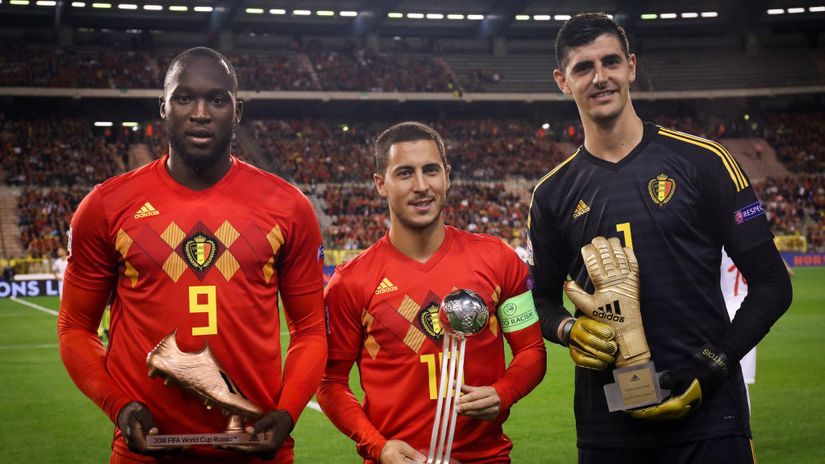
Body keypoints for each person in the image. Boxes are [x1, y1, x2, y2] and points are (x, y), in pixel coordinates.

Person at [528, 13, 792, 463]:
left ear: (631, 66)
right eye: (583, 68)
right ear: (562, 81)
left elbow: (773, 284)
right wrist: (568, 328)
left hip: (711, 421)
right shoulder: (551, 194)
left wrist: (714, 367)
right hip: (607, 429)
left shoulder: (704, 162)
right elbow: (538, 299)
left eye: (611, 61)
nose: (600, 77)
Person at [57, 47, 327, 463]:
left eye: (216, 100)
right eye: (185, 98)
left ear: (236, 111)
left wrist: (288, 412)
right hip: (144, 456)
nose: (200, 112)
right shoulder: (106, 206)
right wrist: (119, 404)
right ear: (163, 107)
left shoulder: (287, 206)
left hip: (257, 452)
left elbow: (310, 329)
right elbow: (75, 327)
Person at [317, 122, 547, 463]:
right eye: (405, 173)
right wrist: (378, 446)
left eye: (431, 171)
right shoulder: (350, 282)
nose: (421, 186)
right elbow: (330, 383)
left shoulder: (498, 259)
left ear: (447, 177)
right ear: (381, 184)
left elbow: (531, 349)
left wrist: (504, 392)